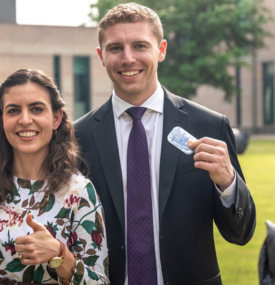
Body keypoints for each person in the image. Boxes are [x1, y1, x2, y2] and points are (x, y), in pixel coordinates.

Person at [74, 3, 256, 285]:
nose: (128, 58)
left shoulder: (209, 126)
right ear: (101, 55)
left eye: (140, 45)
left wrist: (227, 182)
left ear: (161, 49)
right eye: (115, 48)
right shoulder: (77, 137)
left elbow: (241, 234)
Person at [0, 69, 110, 284]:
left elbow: (99, 281)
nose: (25, 120)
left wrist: (60, 255)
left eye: (36, 109)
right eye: (13, 110)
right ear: (2, 119)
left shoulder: (79, 191)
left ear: (56, 118)